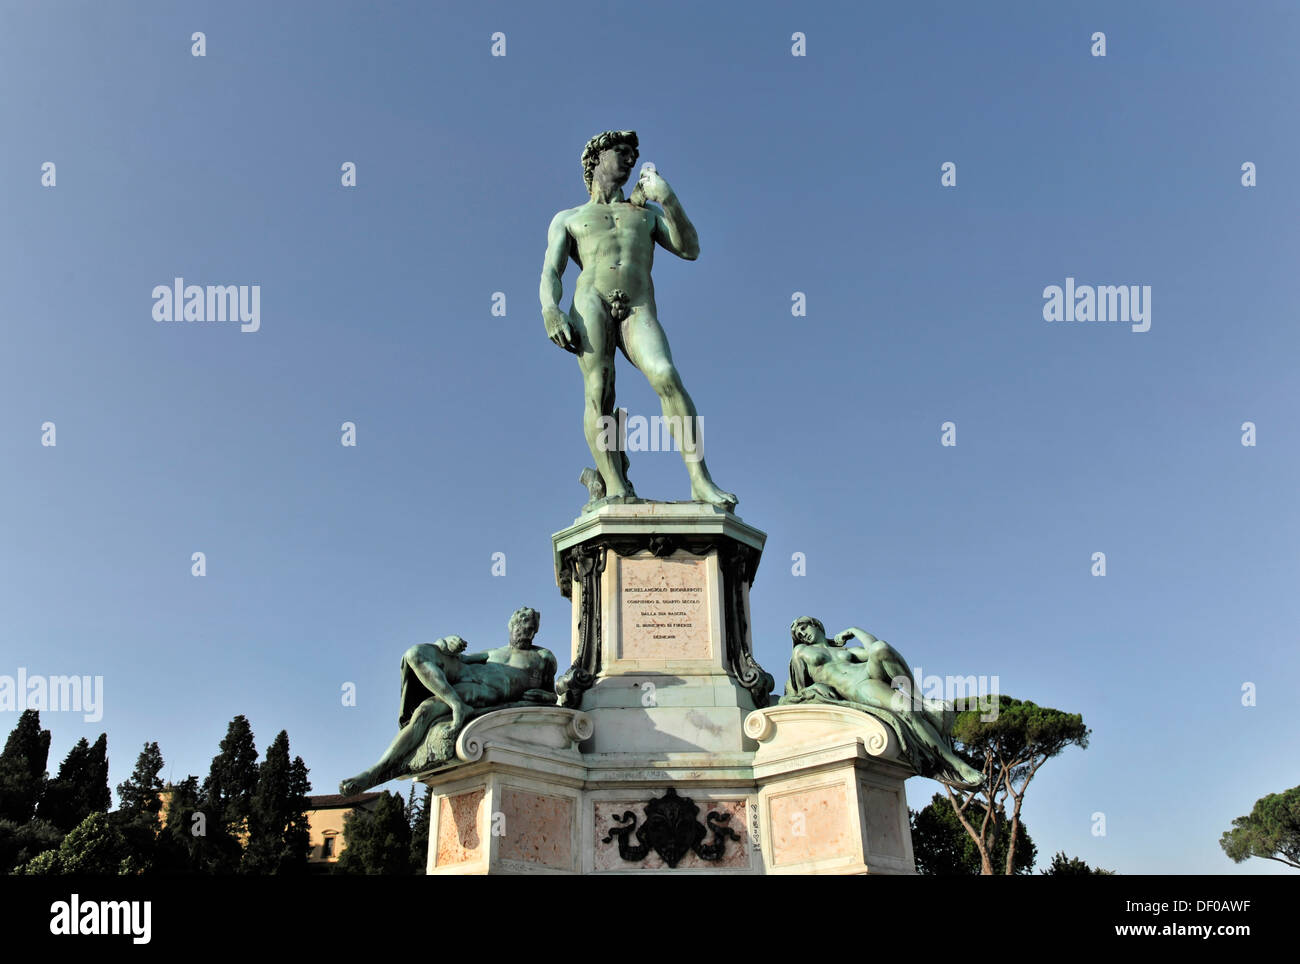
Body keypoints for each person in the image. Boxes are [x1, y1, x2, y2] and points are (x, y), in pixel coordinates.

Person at [539, 129, 736, 508]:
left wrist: (669, 198)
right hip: (590, 299)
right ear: (596, 159)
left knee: (665, 375)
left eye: (634, 153)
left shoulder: (645, 214)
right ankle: (614, 486)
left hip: (639, 304)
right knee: (599, 390)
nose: (631, 159)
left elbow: (690, 249)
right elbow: (551, 271)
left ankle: (700, 481)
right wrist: (550, 310)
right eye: (622, 151)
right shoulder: (569, 217)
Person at [340, 607, 557, 794]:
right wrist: (444, 644)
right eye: (520, 626)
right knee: (415, 653)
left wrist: (545, 696)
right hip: (464, 673)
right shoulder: (493, 653)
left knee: (425, 710)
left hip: (481, 691)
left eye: (530, 629)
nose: (524, 632)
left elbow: (551, 694)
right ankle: (455, 706)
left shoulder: (543, 657)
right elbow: (461, 659)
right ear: (510, 626)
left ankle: (375, 773)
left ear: (536, 631)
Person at [783, 617, 983, 788]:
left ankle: (919, 699)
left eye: (804, 628)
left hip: (866, 673)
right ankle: (957, 764)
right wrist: (815, 689)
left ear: (817, 625)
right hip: (857, 688)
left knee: (881, 648)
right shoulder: (800, 651)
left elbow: (873, 649)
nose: (803, 635)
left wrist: (854, 630)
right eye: (799, 634)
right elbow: (801, 688)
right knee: (906, 710)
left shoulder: (846, 651)